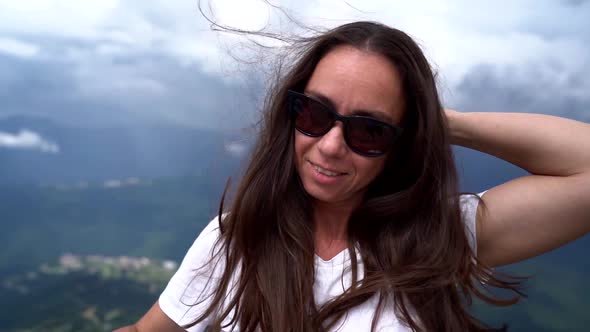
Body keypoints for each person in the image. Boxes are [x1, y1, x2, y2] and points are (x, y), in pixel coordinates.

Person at [114, 21, 590, 332]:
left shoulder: (437, 235)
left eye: (368, 130)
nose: (330, 145)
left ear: (402, 142)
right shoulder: (235, 238)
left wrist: (443, 122)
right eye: (315, 113)